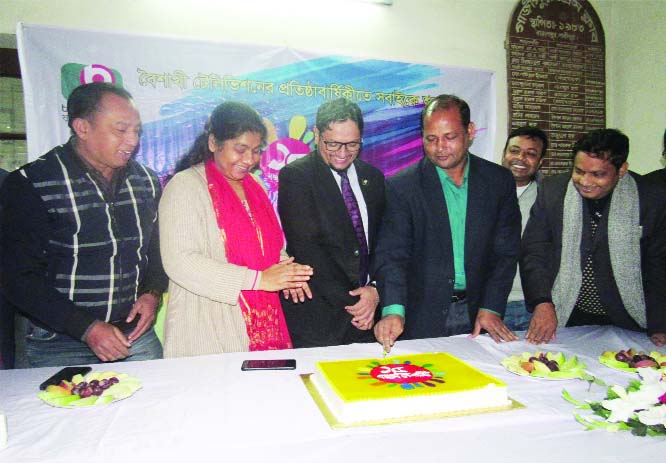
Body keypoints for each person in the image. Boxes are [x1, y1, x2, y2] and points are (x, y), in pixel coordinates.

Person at [0, 82, 166, 367]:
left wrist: (152, 293)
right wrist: (86, 327)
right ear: (82, 128)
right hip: (58, 341)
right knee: (63, 410)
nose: (132, 141)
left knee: (155, 406)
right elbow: (17, 277)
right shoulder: (33, 183)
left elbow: (156, 249)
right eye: (121, 130)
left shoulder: (146, 182)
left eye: (137, 131)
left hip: (133, 335)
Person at [159, 101, 313, 357]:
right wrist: (259, 280)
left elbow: (268, 246)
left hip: (265, 318)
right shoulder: (185, 186)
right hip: (207, 323)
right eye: (240, 149)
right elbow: (180, 261)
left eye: (255, 151)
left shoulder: (256, 186)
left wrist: (286, 272)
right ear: (213, 143)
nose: (250, 160)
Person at [373, 94, 521, 350]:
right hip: (420, 316)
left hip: (479, 313)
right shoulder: (402, 187)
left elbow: (505, 252)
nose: (440, 147)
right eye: (431, 139)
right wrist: (393, 310)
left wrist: (491, 306)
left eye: (450, 137)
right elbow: (392, 256)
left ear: (470, 131)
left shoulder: (498, 181)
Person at [521, 129, 666, 347]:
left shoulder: (650, 198)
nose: (585, 181)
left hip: (629, 318)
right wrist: (542, 301)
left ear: (621, 170)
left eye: (598, 174)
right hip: (567, 313)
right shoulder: (553, 191)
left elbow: (657, 265)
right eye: (579, 171)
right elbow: (534, 250)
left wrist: (660, 325)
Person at [278, 98, 385, 347]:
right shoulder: (296, 177)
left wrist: (376, 291)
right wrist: (357, 304)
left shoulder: (374, 178)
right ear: (316, 134)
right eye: (333, 143)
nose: (342, 153)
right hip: (320, 320)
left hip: (369, 316)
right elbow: (308, 249)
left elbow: (386, 242)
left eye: (352, 144)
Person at [501, 126, 548, 331]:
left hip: (531, 307)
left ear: (540, 162)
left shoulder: (550, 198)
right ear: (504, 153)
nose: (520, 158)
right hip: (486, 305)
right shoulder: (480, 192)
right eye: (514, 150)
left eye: (531, 154)